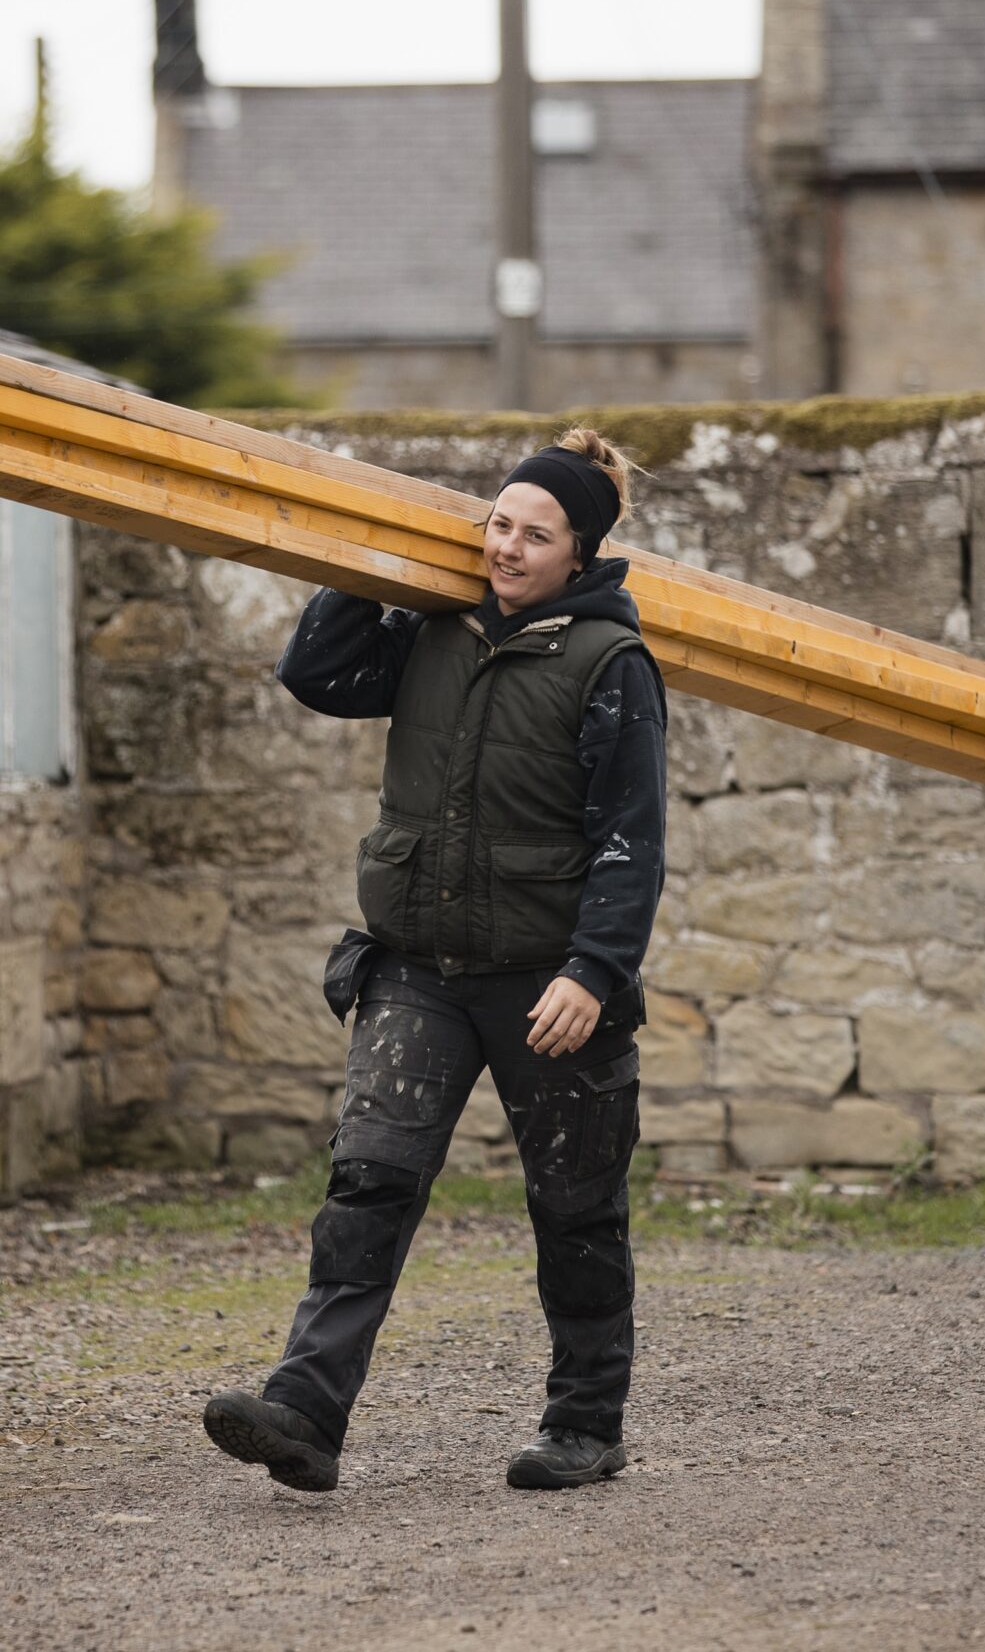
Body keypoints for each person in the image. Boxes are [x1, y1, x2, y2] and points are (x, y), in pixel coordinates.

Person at [201, 427, 668, 1493]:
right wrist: (369, 574)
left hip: (546, 979)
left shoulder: (610, 663)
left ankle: (586, 1424)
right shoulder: (433, 628)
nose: (506, 546)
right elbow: (315, 672)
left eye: (534, 534)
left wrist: (593, 972)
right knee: (368, 1182)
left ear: (580, 553)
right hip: (415, 965)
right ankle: (306, 1414)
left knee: (575, 1204)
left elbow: (631, 837)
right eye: (498, 522)